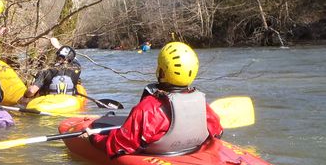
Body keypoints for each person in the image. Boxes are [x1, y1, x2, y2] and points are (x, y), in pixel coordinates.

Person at [84, 42, 222, 156]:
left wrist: (93, 138)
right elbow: (218, 132)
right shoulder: (201, 103)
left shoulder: (149, 108)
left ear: (162, 72)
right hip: (190, 151)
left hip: (161, 155)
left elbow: (119, 145)